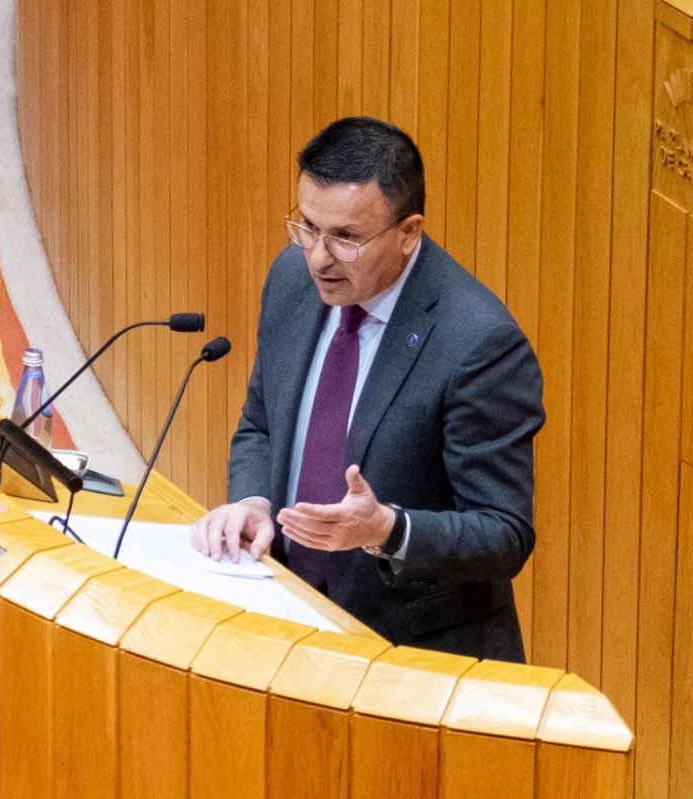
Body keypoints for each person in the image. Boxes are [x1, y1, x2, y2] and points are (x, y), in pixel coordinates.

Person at [190, 117, 544, 662]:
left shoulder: (479, 343)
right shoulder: (292, 280)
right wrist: (254, 500)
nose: (318, 256)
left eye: (346, 237)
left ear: (409, 233)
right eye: (307, 226)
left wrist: (388, 529)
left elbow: (503, 533)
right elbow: (261, 423)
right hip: (288, 615)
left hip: (411, 655)